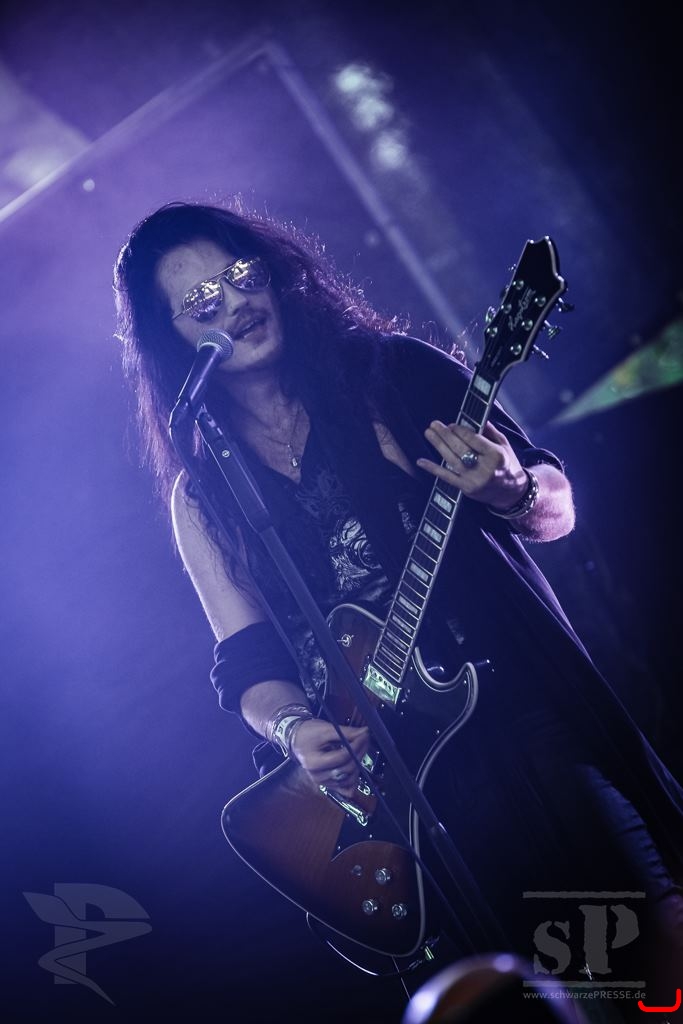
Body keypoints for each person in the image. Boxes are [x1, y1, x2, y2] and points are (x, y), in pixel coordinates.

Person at [113, 200, 683, 1018]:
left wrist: (509, 489)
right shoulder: (202, 494)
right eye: (202, 300)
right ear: (173, 340)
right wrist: (293, 729)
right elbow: (246, 664)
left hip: (526, 722)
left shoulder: (390, 373)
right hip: (400, 797)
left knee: (646, 964)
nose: (235, 302)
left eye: (240, 275)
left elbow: (555, 505)